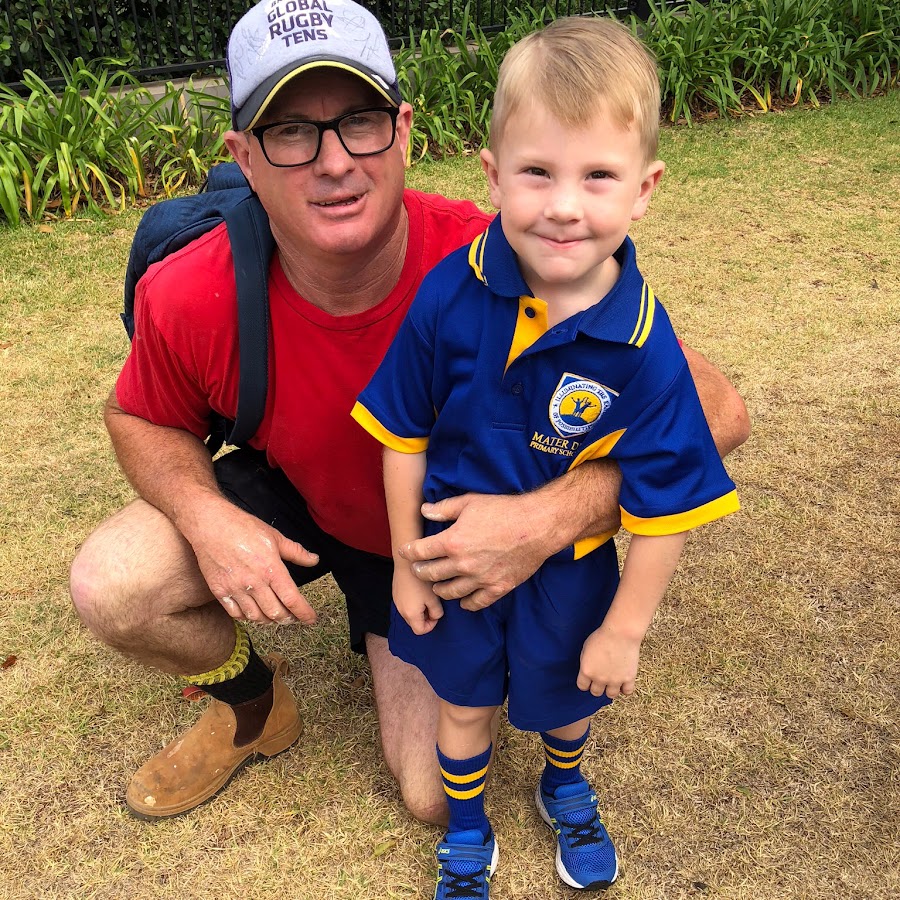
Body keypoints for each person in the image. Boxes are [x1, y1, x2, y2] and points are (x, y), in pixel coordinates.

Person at [68, 0, 749, 827]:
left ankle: (396, 636)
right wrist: (204, 516)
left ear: (403, 131)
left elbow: (716, 410)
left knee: (432, 796)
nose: (334, 163)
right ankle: (254, 705)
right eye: (291, 132)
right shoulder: (190, 288)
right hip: (298, 499)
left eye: (358, 122)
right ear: (243, 155)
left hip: (432, 545)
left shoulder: (502, 254)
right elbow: (137, 416)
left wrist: (547, 518)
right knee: (112, 583)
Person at [352, 15, 741, 897]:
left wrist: (624, 629)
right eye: (537, 172)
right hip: (453, 562)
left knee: (569, 704)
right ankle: (466, 831)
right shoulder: (448, 295)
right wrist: (406, 566)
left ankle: (565, 786)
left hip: (571, 573)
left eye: (597, 176)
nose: (564, 205)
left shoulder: (644, 343)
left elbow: (669, 501)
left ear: (644, 189)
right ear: (493, 175)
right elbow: (402, 435)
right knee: (462, 704)